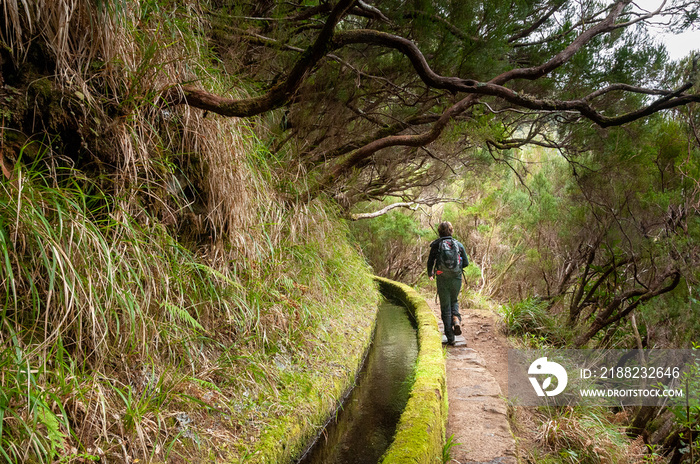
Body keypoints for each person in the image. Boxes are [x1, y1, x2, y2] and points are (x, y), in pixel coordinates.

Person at [427, 221, 468, 345]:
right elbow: (465, 263)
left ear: (439, 232)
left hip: (442, 277)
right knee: (454, 300)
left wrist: (431, 274)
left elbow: (430, 261)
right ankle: (456, 320)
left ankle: (450, 338)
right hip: (456, 278)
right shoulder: (458, 244)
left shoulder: (436, 245)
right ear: (451, 231)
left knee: (445, 306)